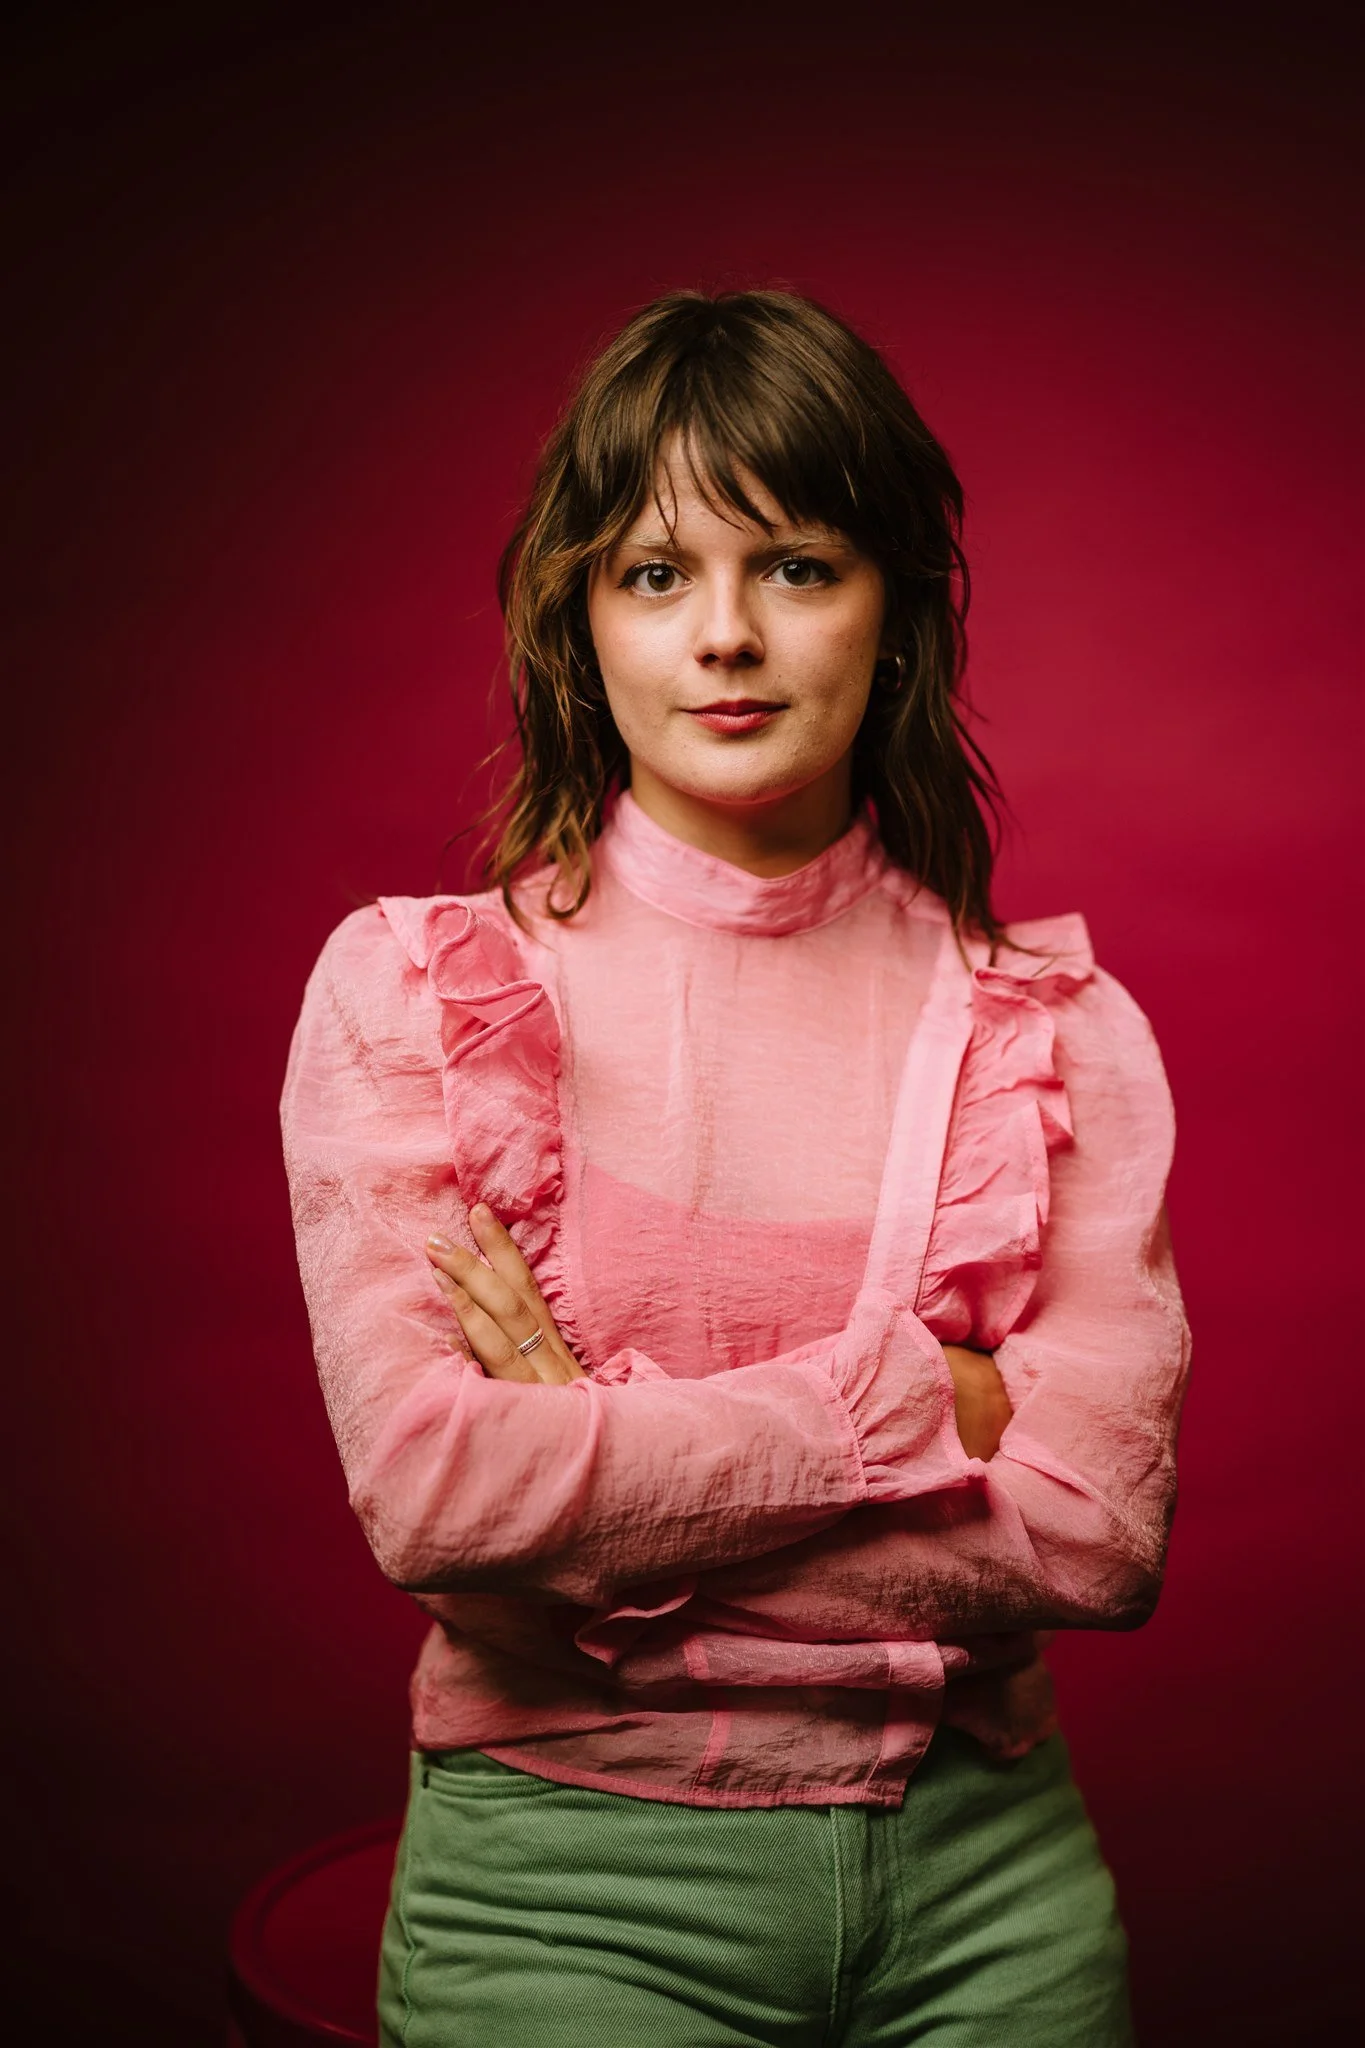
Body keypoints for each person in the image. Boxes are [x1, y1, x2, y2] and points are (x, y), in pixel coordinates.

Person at [279, 287, 1191, 2047]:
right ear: (580, 623)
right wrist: (910, 1404)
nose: (725, 636)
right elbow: (434, 1498)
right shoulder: (417, 993)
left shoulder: (1058, 1029)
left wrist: (599, 1496)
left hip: (997, 1893)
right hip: (568, 1898)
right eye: (653, 573)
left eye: (795, 566)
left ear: (896, 611)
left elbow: (1099, 1538)